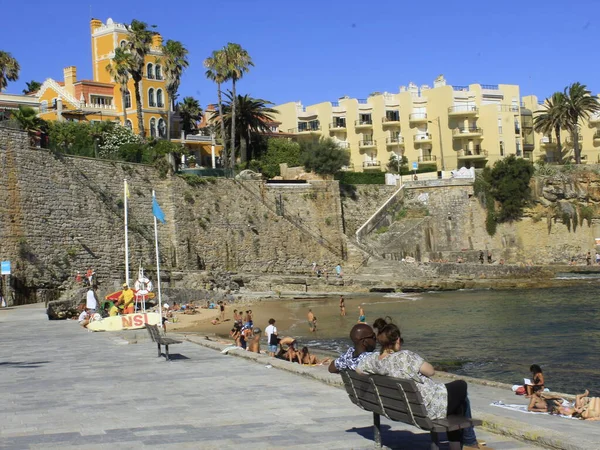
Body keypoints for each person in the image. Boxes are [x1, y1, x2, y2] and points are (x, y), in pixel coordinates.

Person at [357, 324, 487, 450]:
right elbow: (430, 371)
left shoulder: (373, 360)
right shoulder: (405, 356)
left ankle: (468, 441)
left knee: (457, 399)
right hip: (427, 407)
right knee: (461, 386)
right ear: (397, 340)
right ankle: (469, 441)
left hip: (405, 408)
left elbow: (358, 370)